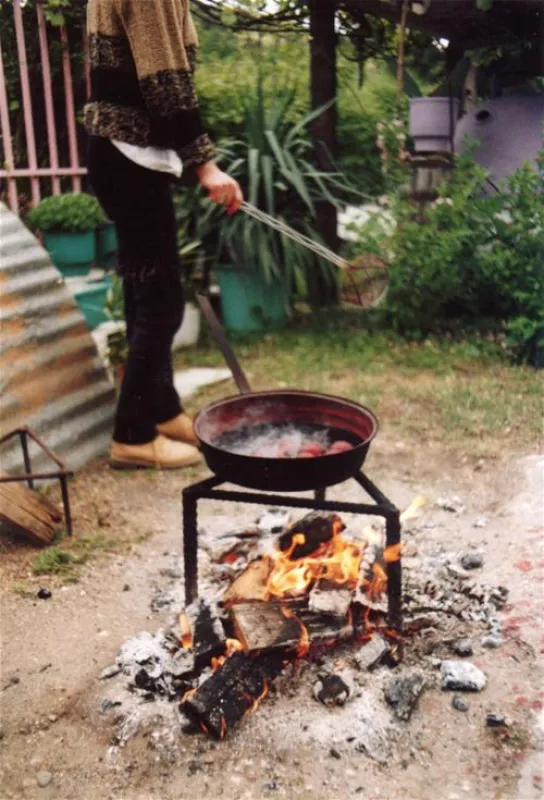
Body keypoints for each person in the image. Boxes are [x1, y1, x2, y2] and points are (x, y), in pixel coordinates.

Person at [85, 0, 243, 469]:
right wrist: (206, 165)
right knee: (161, 303)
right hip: (132, 160)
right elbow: (165, 83)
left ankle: (161, 410)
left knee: (143, 294)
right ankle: (132, 436)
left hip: (123, 157)